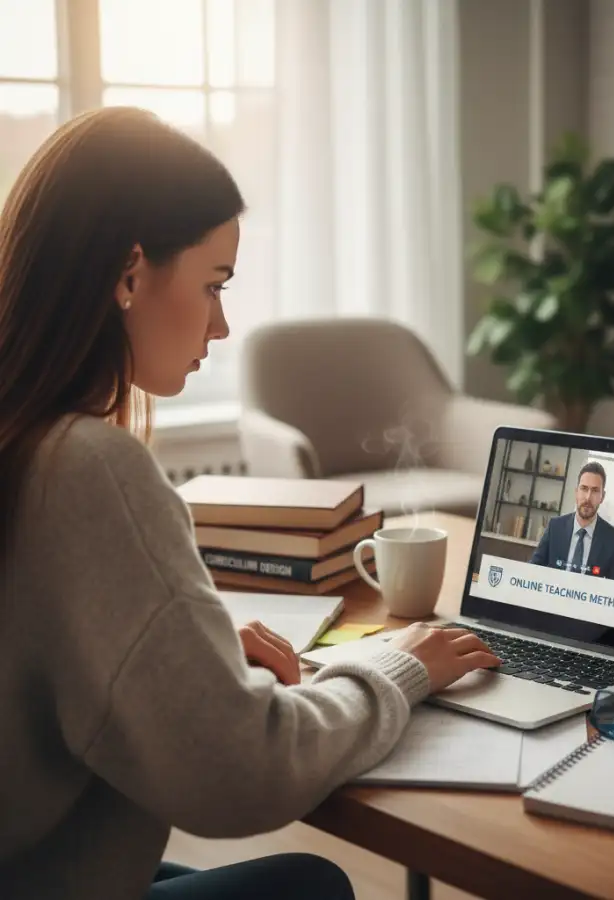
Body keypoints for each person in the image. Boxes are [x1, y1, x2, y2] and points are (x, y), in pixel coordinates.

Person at [0, 107, 501, 900]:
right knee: (310, 887)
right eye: (213, 284)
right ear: (129, 274)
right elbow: (241, 775)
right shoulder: (87, 468)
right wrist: (398, 667)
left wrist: (186, 658)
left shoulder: (22, 438)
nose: (223, 325)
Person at [529, 461, 614, 582]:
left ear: (602, 496)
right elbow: (533, 570)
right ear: (576, 492)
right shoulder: (555, 527)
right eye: (584, 489)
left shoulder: (612, 538)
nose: (588, 497)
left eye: (595, 490)